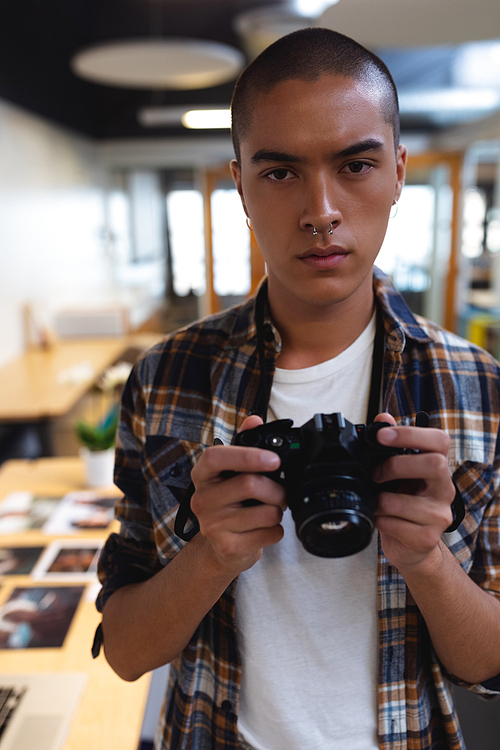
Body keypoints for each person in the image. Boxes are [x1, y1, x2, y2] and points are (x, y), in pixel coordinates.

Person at [93, 27, 500, 750]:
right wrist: (211, 553)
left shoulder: (479, 391)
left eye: (356, 165)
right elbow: (126, 653)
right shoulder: (165, 377)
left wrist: (429, 559)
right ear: (240, 183)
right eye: (280, 173)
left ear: (399, 171)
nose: (321, 210)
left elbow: (487, 662)